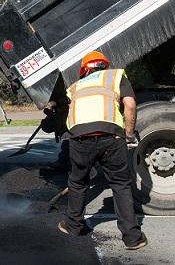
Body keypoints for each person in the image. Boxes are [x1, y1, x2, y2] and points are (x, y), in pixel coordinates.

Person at [57, 51, 147, 250]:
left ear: (84, 70)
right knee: (120, 184)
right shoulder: (115, 77)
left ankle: (73, 225)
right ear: (104, 66)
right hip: (111, 138)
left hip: (79, 139)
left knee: (78, 182)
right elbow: (130, 105)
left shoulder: (75, 87)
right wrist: (129, 134)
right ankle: (133, 238)